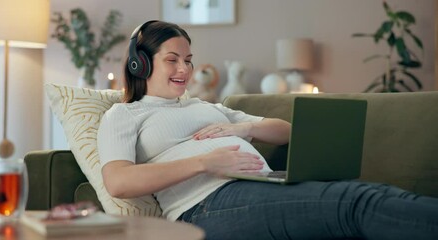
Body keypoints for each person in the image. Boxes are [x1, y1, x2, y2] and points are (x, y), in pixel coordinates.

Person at [97, 20, 438, 240]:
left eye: (188, 60)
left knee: (373, 193)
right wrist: (205, 164)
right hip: (207, 206)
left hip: (263, 186)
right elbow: (119, 182)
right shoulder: (124, 114)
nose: (184, 69)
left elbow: (287, 131)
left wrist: (244, 129)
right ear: (140, 62)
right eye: (172, 59)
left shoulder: (205, 107)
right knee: (356, 203)